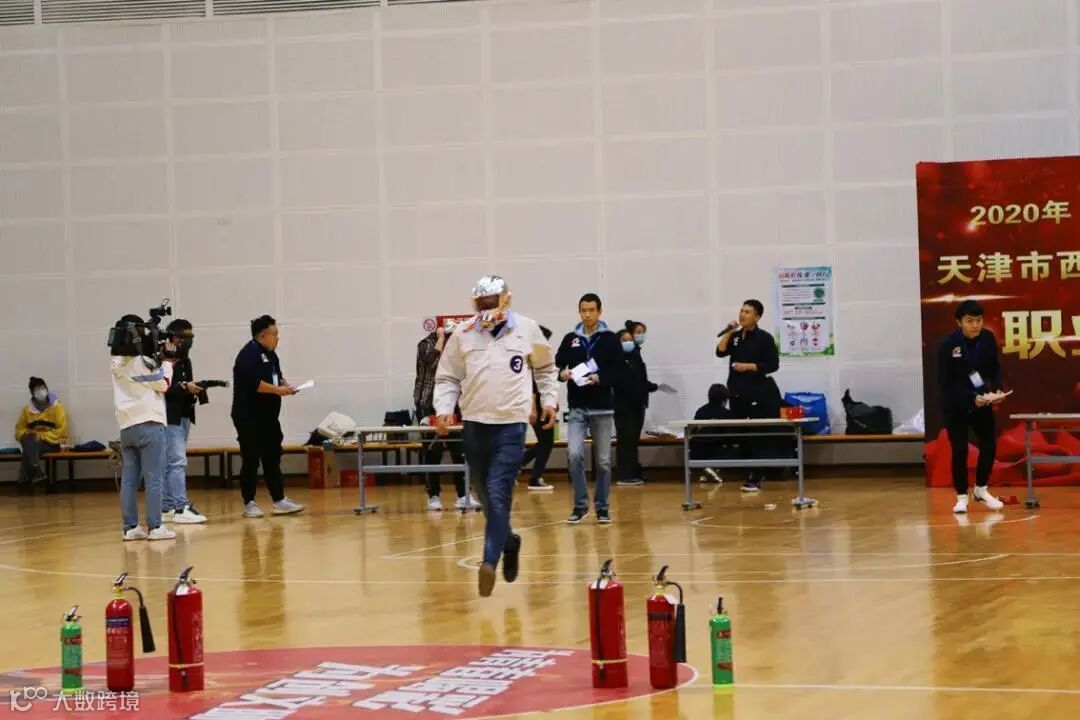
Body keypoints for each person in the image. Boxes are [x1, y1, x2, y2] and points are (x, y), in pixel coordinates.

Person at [434, 276, 558, 597]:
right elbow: (447, 377)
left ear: (506, 300)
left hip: (511, 425)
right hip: (475, 426)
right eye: (481, 303)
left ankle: (489, 562)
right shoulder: (463, 333)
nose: (486, 308)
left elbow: (546, 369)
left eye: (491, 302)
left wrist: (549, 401)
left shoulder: (527, 329)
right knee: (484, 496)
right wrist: (444, 409)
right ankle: (509, 542)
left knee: (498, 492)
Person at [555, 293, 621, 524]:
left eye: (592, 310)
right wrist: (562, 374)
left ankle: (602, 507)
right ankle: (580, 505)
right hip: (577, 407)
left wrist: (600, 378)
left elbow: (618, 371)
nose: (587, 314)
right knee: (574, 454)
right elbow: (558, 364)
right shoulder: (570, 339)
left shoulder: (610, 339)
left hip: (602, 408)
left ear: (599, 312)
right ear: (579, 312)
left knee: (603, 461)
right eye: (584, 310)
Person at [231, 315, 306, 519]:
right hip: (249, 416)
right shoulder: (248, 354)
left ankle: (279, 500)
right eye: (275, 334)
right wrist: (277, 390)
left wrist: (286, 385)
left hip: (269, 417)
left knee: (273, 457)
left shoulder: (271, 355)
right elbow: (254, 384)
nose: (277, 338)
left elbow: (276, 376)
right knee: (251, 458)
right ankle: (249, 502)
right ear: (263, 335)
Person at [110, 316, 175, 541]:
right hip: (149, 423)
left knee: (129, 480)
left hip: (126, 427)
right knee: (154, 478)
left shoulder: (116, 362)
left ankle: (130, 527)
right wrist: (167, 361)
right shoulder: (139, 362)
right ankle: (155, 527)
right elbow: (163, 383)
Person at [938, 300, 1006, 513]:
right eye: (969, 321)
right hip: (956, 404)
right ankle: (961, 496)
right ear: (959, 322)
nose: (975, 325)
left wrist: (998, 390)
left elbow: (994, 368)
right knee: (960, 449)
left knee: (989, 445)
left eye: (978, 320)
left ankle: (981, 489)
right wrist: (970, 398)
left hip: (982, 400)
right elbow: (945, 382)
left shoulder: (987, 339)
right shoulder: (948, 345)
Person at [715, 299, 781, 492]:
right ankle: (747, 471)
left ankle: (757, 474)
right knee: (741, 433)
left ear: (757, 317)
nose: (742, 315)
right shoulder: (735, 336)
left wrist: (749, 367)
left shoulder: (764, 338)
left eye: (747, 312)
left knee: (756, 435)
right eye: (741, 311)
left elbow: (773, 365)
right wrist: (729, 331)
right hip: (736, 393)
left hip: (757, 394)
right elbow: (720, 352)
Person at [414, 325, 480, 512]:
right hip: (427, 404)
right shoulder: (425, 344)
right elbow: (432, 363)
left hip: (453, 404)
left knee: (459, 450)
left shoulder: (457, 347)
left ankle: (463, 494)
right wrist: (441, 339)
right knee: (433, 452)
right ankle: (433, 495)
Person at [161, 319, 208, 524]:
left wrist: (196, 389)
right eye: (184, 337)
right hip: (168, 415)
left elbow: (185, 384)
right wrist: (183, 387)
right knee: (176, 461)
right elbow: (162, 387)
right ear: (173, 338)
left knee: (172, 462)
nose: (189, 341)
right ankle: (180, 507)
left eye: (191, 337)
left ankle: (166, 506)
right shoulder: (162, 360)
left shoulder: (186, 361)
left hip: (184, 414)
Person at [613, 323, 657, 487]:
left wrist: (651, 387)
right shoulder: (617, 360)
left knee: (633, 441)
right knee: (625, 440)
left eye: (630, 340)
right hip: (624, 406)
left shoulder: (635, 356)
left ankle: (634, 472)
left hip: (637, 404)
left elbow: (640, 379)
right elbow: (625, 382)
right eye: (624, 340)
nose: (629, 342)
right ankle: (624, 475)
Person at [14, 377, 68, 493]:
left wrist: (42, 436)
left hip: (52, 443)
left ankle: (24, 479)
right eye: (37, 389)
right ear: (32, 393)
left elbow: (62, 431)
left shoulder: (57, 407)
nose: (41, 391)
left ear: (46, 389)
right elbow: (19, 429)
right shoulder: (27, 410)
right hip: (33, 442)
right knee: (29, 440)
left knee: (28, 447)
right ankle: (36, 472)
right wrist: (27, 433)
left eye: (42, 388)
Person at [520, 324, 556, 491]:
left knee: (545, 442)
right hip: (537, 404)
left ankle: (518, 466)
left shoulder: (540, 357)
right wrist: (533, 408)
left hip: (544, 403)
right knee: (546, 442)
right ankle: (535, 477)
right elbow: (531, 387)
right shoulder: (530, 358)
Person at [692, 383, 736, 484]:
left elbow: (693, 431)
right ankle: (713, 469)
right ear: (725, 399)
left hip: (697, 452)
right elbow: (731, 437)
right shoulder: (727, 414)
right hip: (717, 451)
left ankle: (707, 472)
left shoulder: (700, 411)